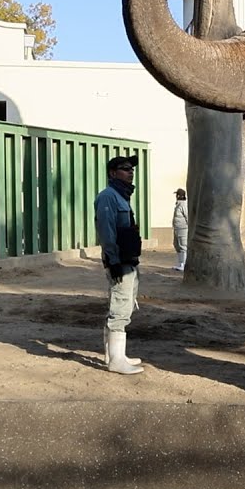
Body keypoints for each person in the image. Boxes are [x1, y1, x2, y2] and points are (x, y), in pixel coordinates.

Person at [95, 155, 144, 375]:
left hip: (128, 259)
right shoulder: (108, 197)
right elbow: (107, 232)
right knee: (120, 306)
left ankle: (115, 354)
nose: (130, 172)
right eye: (124, 169)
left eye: (131, 168)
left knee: (125, 302)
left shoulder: (121, 196)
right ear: (112, 173)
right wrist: (113, 261)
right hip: (119, 261)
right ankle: (116, 361)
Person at [172, 188, 188, 271]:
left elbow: (188, 217)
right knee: (176, 245)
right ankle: (180, 263)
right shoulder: (178, 204)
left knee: (183, 246)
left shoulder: (183, 205)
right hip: (177, 228)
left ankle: (184, 264)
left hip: (183, 229)